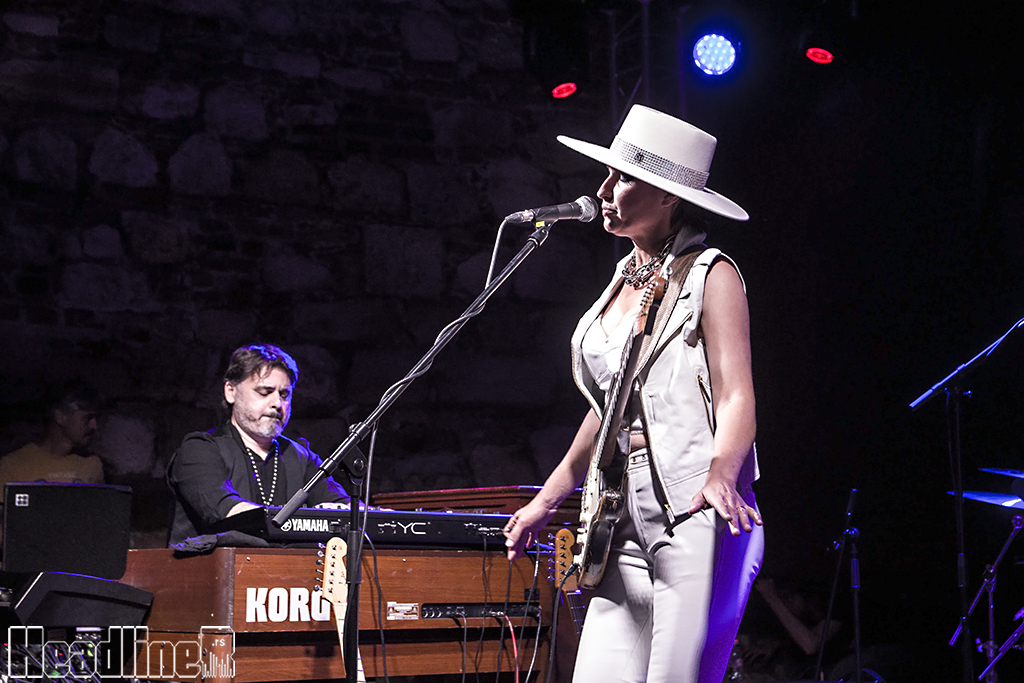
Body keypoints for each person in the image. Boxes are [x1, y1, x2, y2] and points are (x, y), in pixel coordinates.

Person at [503, 105, 764, 683]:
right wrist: (547, 499)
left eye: (622, 179)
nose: (603, 191)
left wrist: (722, 473)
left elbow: (737, 394)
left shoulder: (712, 274)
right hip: (616, 516)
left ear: (669, 196)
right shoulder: (623, 278)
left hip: (694, 509)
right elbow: (608, 409)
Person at [167, 343, 351, 545]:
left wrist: (359, 513)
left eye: (284, 394)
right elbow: (225, 509)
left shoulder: (301, 456)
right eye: (264, 392)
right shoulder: (199, 449)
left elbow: (342, 506)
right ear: (231, 391)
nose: (277, 404)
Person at [0, 382, 106, 494]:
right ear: (61, 417)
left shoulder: (93, 464)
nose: (94, 425)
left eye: (96, 418)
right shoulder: (13, 465)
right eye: (88, 418)